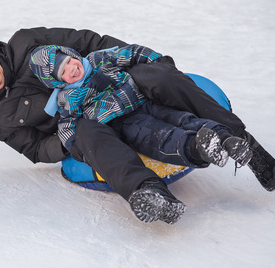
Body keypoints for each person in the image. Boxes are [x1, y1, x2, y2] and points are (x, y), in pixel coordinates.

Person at [0, 27, 275, 224]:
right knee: (89, 133)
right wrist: (67, 142)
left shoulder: (27, 43)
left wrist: (139, 60)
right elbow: (34, 149)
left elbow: (89, 42)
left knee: (157, 76)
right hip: (84, 121)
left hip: (108, 81)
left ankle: (243, 142)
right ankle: (148, 193)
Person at [29, 44, 253, 223]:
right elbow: (67, 128)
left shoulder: (98, 59)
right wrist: (79, 148)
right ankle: (194, 155)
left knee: (182, 119)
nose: (71, 68)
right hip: (125, 124)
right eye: (63, 72)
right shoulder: (67, 99)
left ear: (73, 55)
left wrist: (159, 63)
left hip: (144, 100)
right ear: (58, 82)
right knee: (161, 138)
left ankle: (224, 140)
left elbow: (130, 53)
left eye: (69, 61)